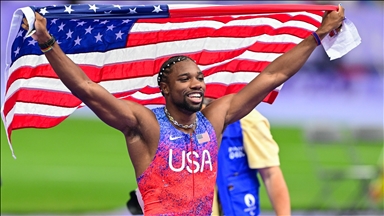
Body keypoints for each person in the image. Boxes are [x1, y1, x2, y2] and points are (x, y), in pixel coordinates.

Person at [21, 6, 345, 215]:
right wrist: (47, 42)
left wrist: (316, 36)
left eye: (200, 78)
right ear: (165, 88)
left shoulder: (213, 120)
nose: (196, 85)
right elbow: (87, 89)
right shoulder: (144, 125)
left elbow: (274, 75)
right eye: (185, 79)